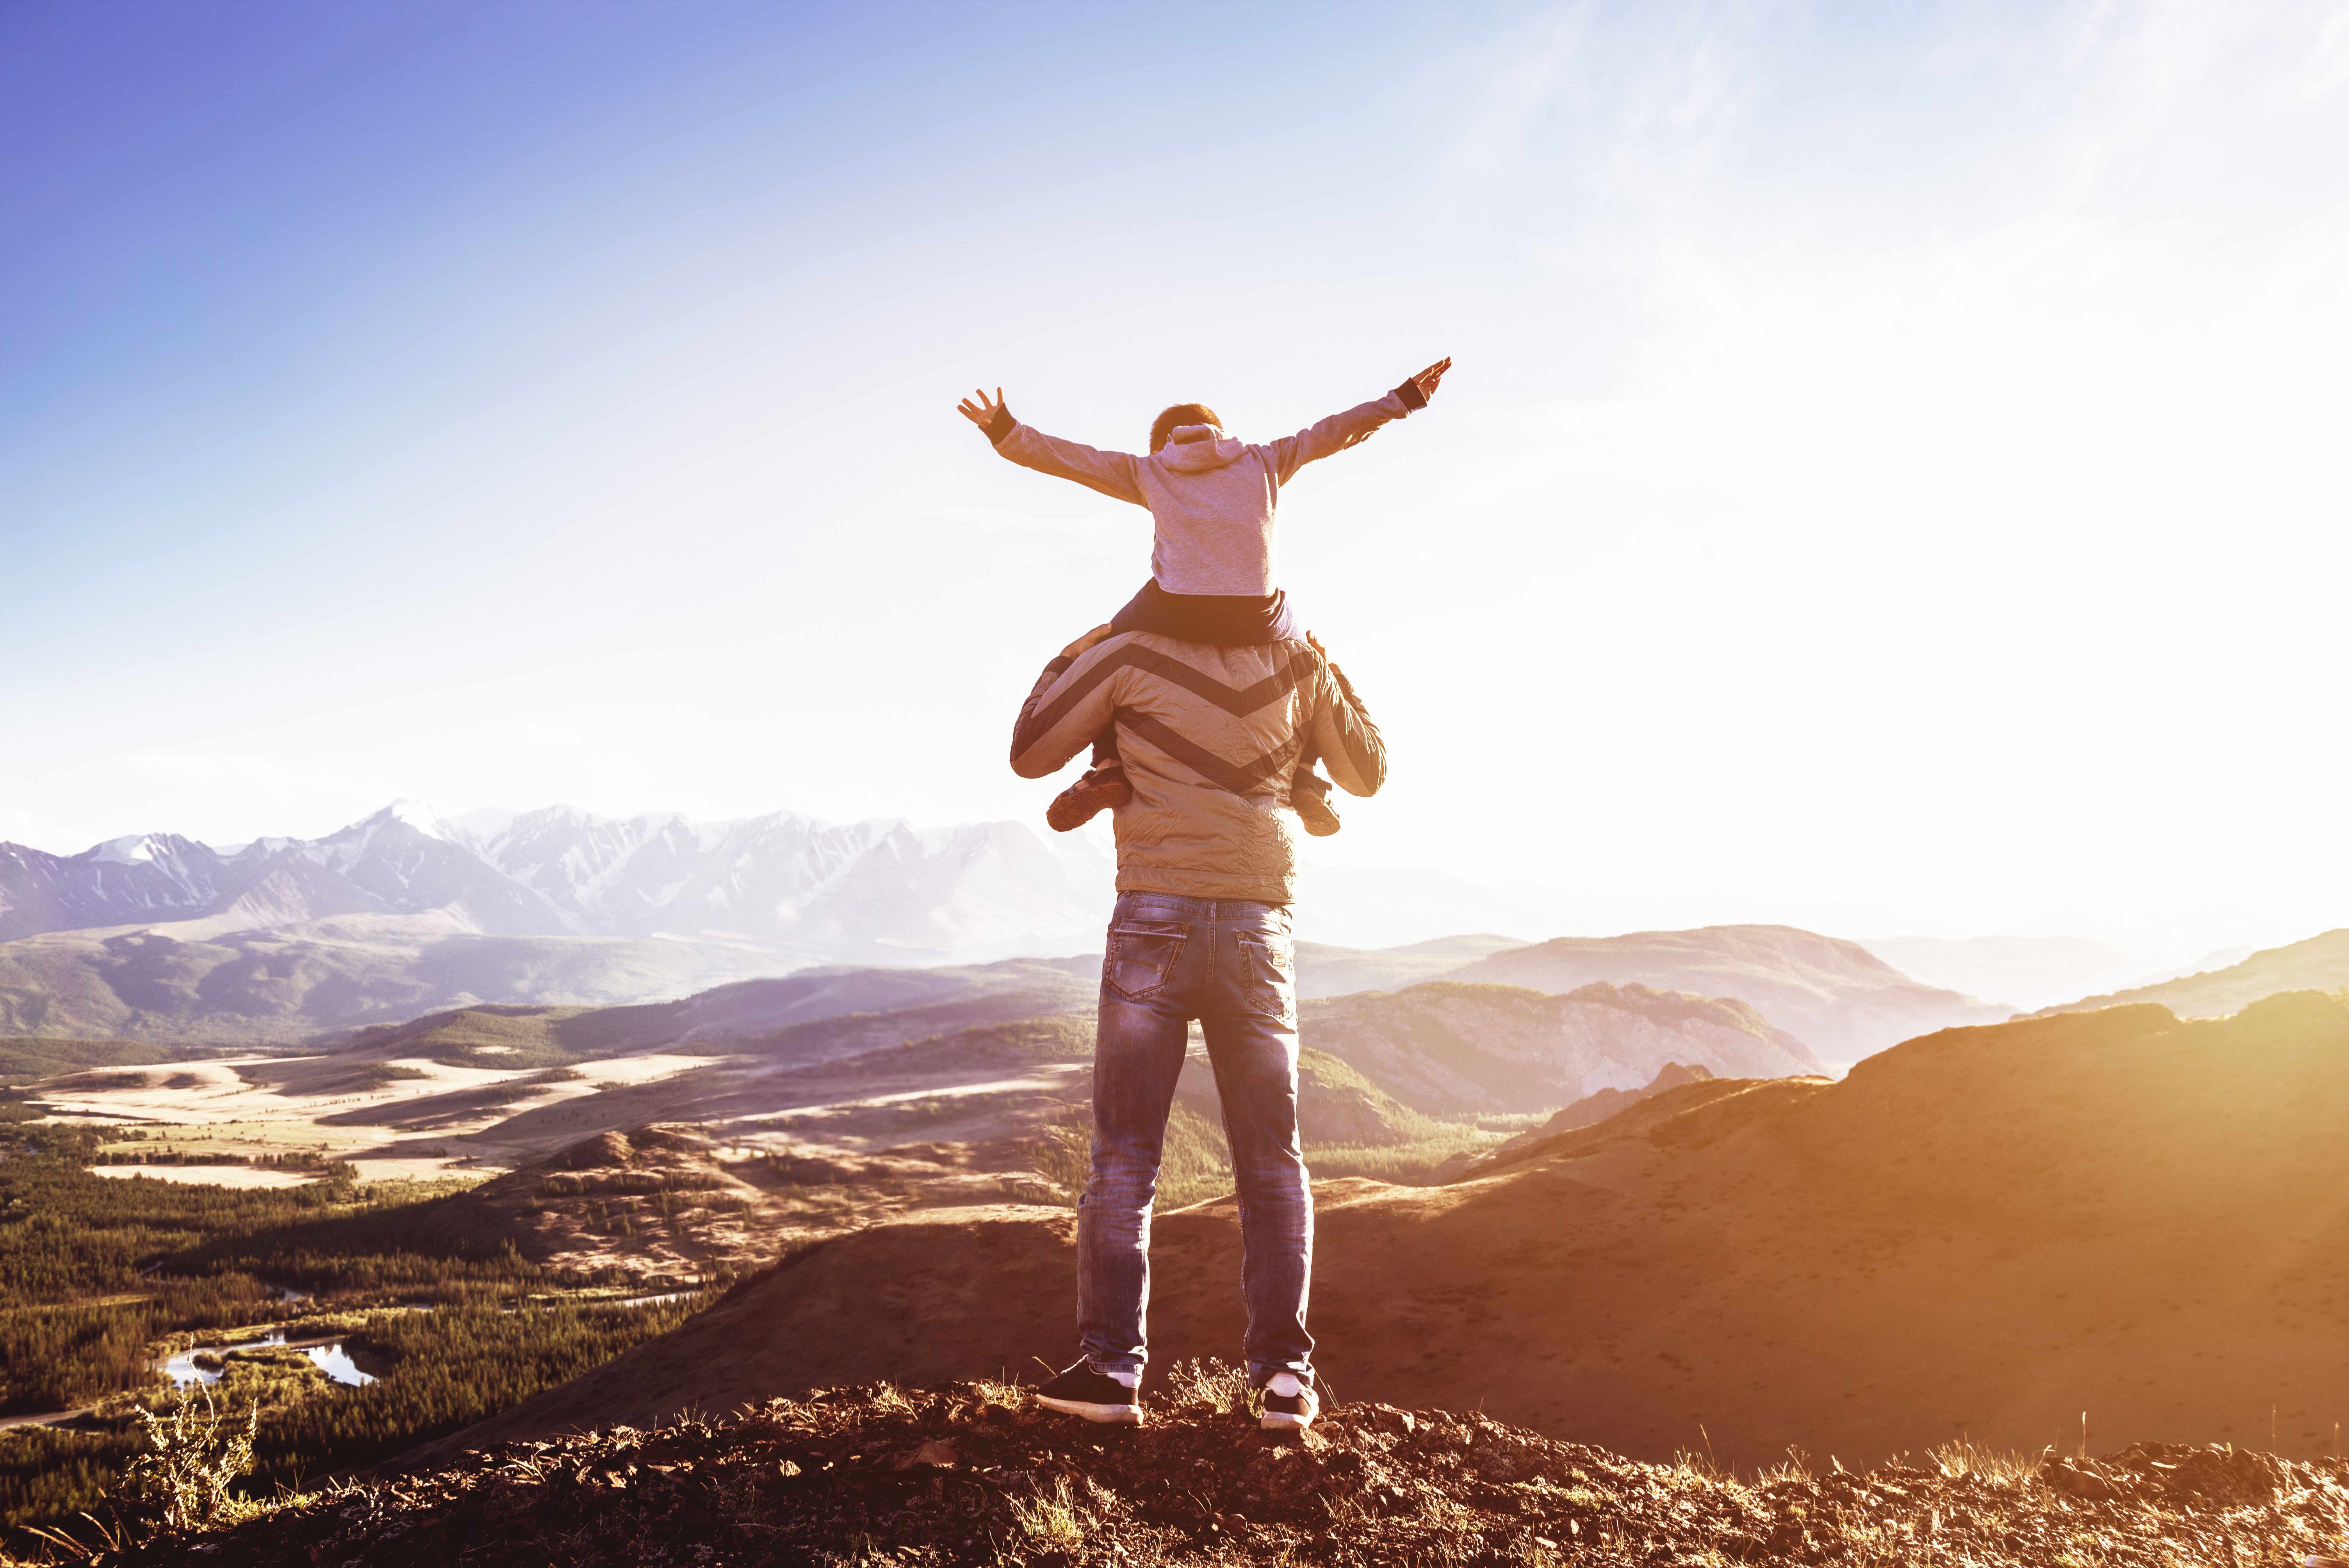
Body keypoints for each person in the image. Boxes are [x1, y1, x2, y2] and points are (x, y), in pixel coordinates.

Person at [1004, 607, 1387, 1433]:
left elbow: (1028, 748)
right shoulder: (1295, 661)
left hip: (1155, 918)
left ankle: (1110, 1371)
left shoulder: (1130, 650)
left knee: (1123, 1159)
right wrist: (1327, 663)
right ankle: (1283, 1378)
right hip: (1258, 925)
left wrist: (1085, 643)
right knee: (1271, 1160)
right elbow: (1370, 770)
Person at [959, 359, 1447, 837]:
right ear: (1220, 434)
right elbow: (1334, 433)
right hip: (1258, 614)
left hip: (1177, 608)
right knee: (1308, 661)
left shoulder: (1150, 469)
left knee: (1110, 646)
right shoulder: (1264, 459)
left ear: (1163, 443)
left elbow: (1068, 459)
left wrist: (1003, 429)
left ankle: (1107, 765)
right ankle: (1306, 778)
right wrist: (1402, 400)